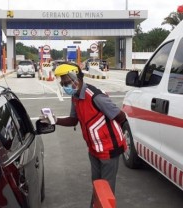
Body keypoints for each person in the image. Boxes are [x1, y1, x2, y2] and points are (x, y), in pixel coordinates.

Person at [40, 62, 128, 206]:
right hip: (94, 149)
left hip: (109, 149)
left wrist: (126, 138)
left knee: (106, 190)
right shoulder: (75, 97)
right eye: (62, 84)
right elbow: (73, 120)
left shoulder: (95, 96)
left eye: (66, 82)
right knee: (97, 184)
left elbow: (120, 116)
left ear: (76, 78)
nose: (65, 86)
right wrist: (54, 120)